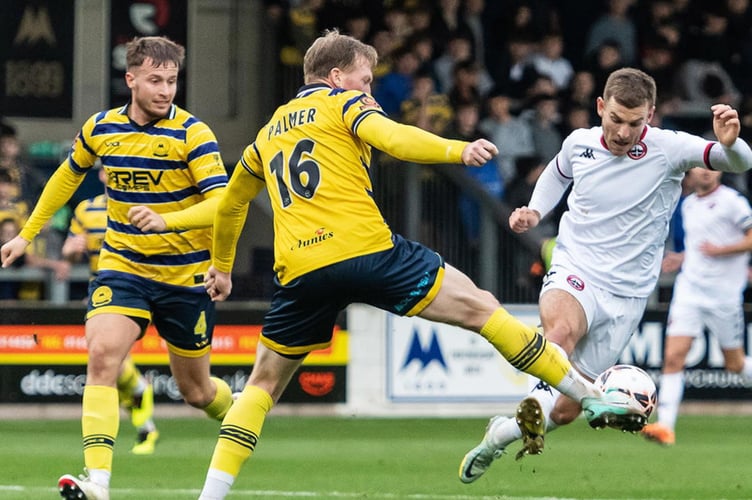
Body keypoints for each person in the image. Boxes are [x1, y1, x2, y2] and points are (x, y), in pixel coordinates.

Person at [196, 29, 615, 500]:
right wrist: (457, 150)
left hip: (301, 269)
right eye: (366, 80)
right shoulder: (344, 104)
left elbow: (231, 205)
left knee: (261, 385)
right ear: (336, 78)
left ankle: (210, 495)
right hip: (368, 251)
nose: (369, 91)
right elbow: (393, 137)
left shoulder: (266, 133)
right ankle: (591, 398)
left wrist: (223, 267)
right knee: (482, 308)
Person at [459, 67, 752, 484]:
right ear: (601, 107)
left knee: (564, 411)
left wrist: (731, 141)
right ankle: (529, 402)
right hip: (576, 267)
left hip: (627, 297)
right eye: (615, 119)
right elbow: (558, 173)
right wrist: (536, 210)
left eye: (634, 123)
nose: (622, 132)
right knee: (558, 332)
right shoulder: (578, 143)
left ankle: (500, 435)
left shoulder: (669, 149)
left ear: (650, 115)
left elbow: (738, 159)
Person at [0, 36, 233, 500]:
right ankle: (98, 482)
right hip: (123, 269)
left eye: (171, 81)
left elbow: (224, 205)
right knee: (103, 357)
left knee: (199, 393)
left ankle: (243, 408)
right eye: (155, 80)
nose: (166, 90)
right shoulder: (102, 128)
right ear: (130, 80)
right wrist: (27, 234)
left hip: (185, 278)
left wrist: (189, 238)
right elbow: (67, 176)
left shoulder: (193, 134)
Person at [641, 168, 752, 446]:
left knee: (735, 364)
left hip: (724, 296)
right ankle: (665, 426)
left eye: (712, 168)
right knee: (673, 357)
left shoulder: (733, 202)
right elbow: (698, 245)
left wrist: (721, 251)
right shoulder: (688, 204)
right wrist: (682, 258)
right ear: (691, 172)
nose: (705, 173)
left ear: (720, 172)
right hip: (689, 291)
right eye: (701, 167)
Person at [61, 165, 159, 455]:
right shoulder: (85, 210)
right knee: (108, 365)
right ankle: (143, 419)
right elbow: (68, 249)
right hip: (99, 293)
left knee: (110, 362)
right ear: (103, 175)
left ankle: (138, 421)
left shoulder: (141, 209)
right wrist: (71, 249)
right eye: (107, 170)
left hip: (133, 291)